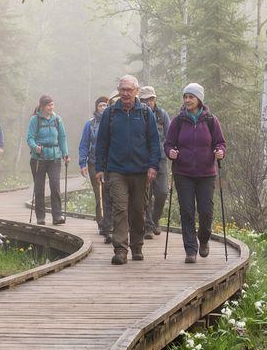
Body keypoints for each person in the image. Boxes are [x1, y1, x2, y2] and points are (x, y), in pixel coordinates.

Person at [95, 75, 163, 265]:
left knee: (138, 210)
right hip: (116, 170)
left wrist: (153, 166)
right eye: (122, 90)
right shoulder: (110, 113)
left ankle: (137, 246)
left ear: (136, 91)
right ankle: (120, 250)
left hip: (141, 171)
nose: (125, 93)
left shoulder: (145, 113)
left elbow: (154, 142)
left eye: (129, 90)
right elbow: (102, 142)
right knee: (120, 208)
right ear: (118, 91)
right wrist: (99, 167)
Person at [163, 82, 226, 264]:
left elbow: (220, 143)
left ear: (199, 99)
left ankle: (204, 238)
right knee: (187, 211)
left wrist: (220, 151)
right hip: (183, 173)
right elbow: (168, 144)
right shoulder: (178, 121)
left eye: (191, 97)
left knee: (206, 211)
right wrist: (170, 152)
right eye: (185, 97)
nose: (187, 100)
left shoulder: (211, 120)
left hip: (206, 174)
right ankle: (190, 250)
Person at [27, 94, 69, 225]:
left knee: (55, 186)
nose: (51, 107)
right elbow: (30, 138)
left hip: (54, 158)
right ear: (42, 106)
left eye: (52, 104)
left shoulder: (57, 119)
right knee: (39, 188)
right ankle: (40, 217)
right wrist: (35, 147)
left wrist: (65, 153)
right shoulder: (35, 120)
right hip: (38, 158)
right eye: (49, 105)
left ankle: (57, 216)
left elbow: (62, 137)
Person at [78, 95, 114, 242]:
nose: (103, 108)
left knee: (109, 193)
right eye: (100, 105)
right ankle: (102, 223)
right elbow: (84, 144)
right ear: (96, 108)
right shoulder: (90, 124)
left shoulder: (113, 121)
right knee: (99, 193)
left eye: (105, 105)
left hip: (110, 164)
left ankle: (109, 222)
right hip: (94, 162)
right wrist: (82, 163)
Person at [139, 86, 171, 239]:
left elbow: (169, 135)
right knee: (146, 194)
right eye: (145, 100)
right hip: (143, 159)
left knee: (162, 192)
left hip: (161, 159)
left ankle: (155, 219)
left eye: (150, 99)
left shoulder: (162, 115)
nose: (148, 102)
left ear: (154, 99)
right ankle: (148, 227)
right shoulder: (138, 115)